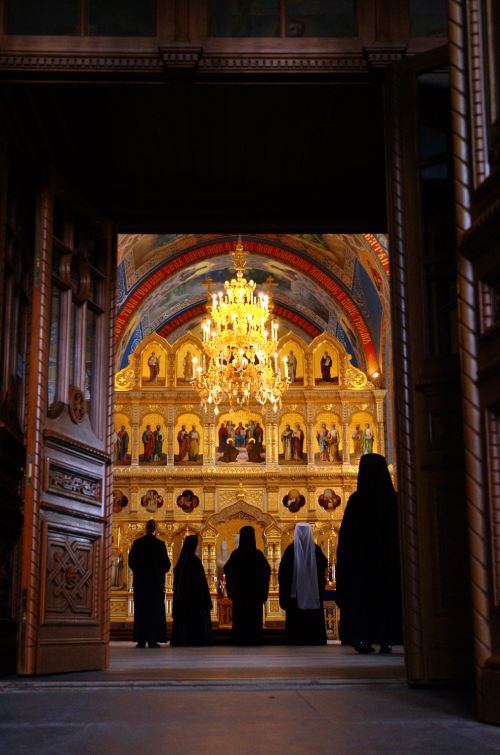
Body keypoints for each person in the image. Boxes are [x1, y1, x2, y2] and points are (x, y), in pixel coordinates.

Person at [335, 453, 402, 654]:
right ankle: (386, 639)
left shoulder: (357, 501)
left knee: (363, 602)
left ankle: (362, 638)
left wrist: (345, 563)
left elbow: (346, 536)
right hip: (387, 563)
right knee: (386, 601)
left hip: (361, 566)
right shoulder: (394, 499)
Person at [278, 523, 328, 645]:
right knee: (312, 616)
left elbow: (283, 573)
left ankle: (296, 638)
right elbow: (323, 565)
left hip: (295, 595)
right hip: (312, 592)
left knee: (296, 617)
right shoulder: (315, 550)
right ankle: (314, 638)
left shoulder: (290, 550)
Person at [224, 526, 271, 645]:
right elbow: (267, 571)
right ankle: (255, 639)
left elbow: (227, 569)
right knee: (254, 618)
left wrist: (234, 587)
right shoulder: (258, 555)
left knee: (240, 618)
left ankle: (240, 639)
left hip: (240, 595)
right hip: (255, 596)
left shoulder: (236, 555)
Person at [128, 520, 171, 648]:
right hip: (155, 585)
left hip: (141, 584)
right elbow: (166, 565)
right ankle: (153, 640)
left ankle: (141, 640)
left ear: (145, 528)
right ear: (155, 529)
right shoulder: (160, 544)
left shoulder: (137, 543)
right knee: (154, 612)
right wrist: (157, 573)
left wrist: (140, 573)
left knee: (141, 612)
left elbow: (131, 563)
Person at [171, 535, 213, 646]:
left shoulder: (181, 562)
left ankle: (182, 639)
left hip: (183, 599)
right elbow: (201, 583)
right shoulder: (195, 562)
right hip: (195, 599)